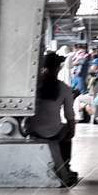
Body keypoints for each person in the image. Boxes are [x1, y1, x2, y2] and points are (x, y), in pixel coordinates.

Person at [25, 51, 78, 186]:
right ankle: (66, 166)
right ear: (58, 68)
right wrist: (72, 131)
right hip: (54, 132)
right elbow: (69, 115)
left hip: (31, 130)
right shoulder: (64, 88)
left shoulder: (32, 86)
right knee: (67, 131)